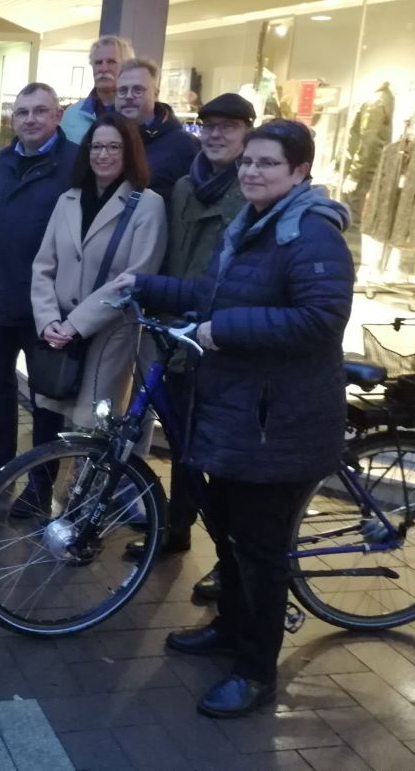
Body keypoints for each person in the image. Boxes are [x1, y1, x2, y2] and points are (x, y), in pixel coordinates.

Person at [116, 120, 353, 719]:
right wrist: (146, 285)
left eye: (267, 163)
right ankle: (230, 628)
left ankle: (256, 671)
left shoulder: (311, 234)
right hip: (241, 413)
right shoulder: (253, 225)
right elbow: (211, 294)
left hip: (281, 424)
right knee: (227, 525)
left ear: (300, 171)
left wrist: (223, 332)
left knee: (261, 549)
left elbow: (321, 319)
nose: (251, 171)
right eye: (248, 162)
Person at [124, 93, 255, 601]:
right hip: (178, 331)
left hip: (222, 339)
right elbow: (172, 255)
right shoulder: (184, 186)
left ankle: (231, 561)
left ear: (247, 132)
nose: (216, 134)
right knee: (181, 444)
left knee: (221, 458)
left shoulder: (249, 192)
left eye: (228, 126)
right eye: (209, 125)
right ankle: (175, 531)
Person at [14, 114, 167, 517]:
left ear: (129, 152)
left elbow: (135, 278)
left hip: (107, 337)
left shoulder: (147, 206)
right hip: (58, 333)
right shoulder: (68, 199)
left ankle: (83, 514)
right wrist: (48, 321)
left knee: (94, 430)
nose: (103, 154)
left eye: (114, 146)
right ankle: (42, 495)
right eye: (97, 146)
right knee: (48, 419)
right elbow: (43, 265)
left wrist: (76, 324)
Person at [0, 82, 78, 484]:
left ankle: (41, 484)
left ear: (58, 115)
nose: (30, 119)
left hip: (49, 306)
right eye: (22, 112)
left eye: (40, 111)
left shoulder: (77, 164)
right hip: (1, 298)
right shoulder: (2, 162)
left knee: (45, 397)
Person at [115, 57, 200, 201]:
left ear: (155, 94)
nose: (129, 96)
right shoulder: (106, 139)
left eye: (138, 90)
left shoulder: (184, 145)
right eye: (123, 90)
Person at [60, 35, 133, 145]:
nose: (103, 69)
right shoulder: (71, 116)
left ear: (127, 67)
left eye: (111, 62)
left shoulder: (136, 115)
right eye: (98, 63)